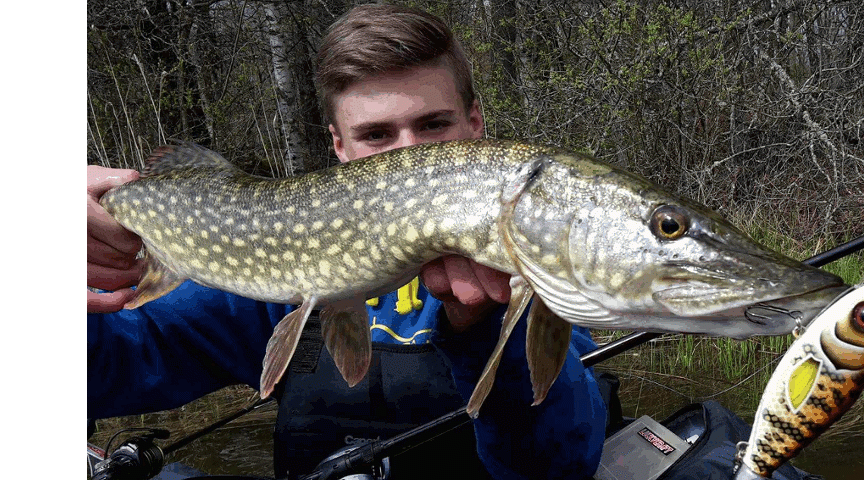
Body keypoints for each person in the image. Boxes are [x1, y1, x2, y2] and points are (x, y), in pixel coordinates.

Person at [87, 5, 611, 479]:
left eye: (433, 124)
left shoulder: (529, 264)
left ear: (475, 124)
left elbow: (557, 468)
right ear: (338, 144)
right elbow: (105, 373)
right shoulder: (273, 253)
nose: (409, 153)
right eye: (377, 136)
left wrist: (483, 332)